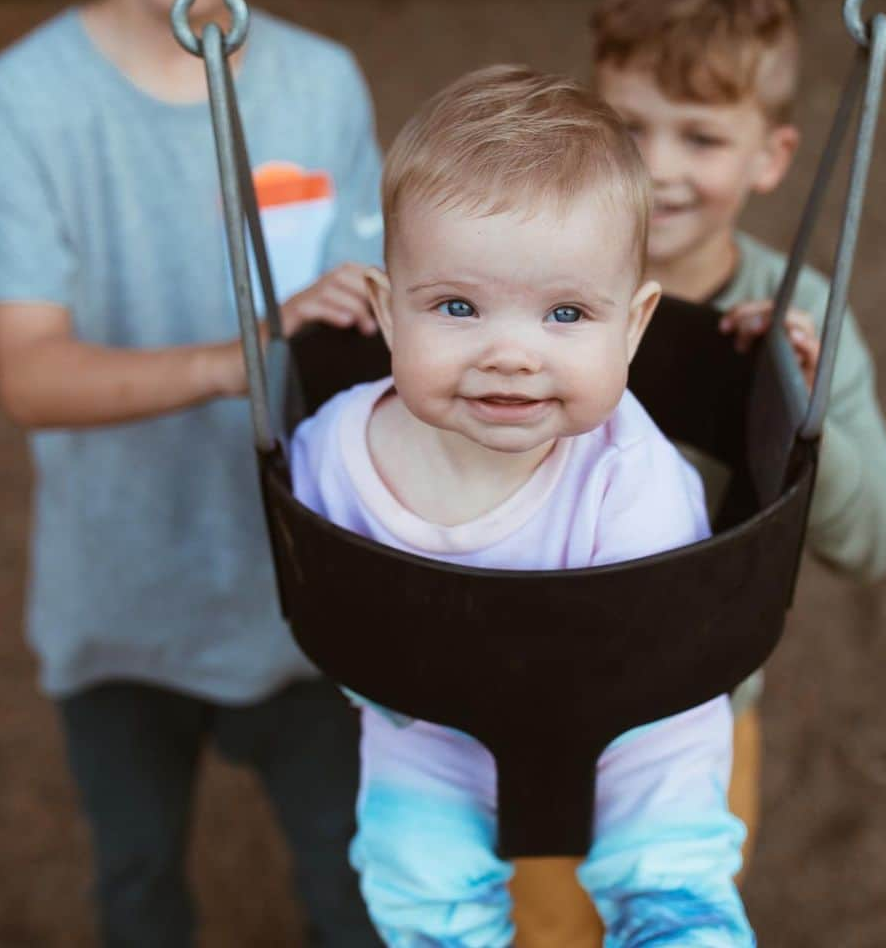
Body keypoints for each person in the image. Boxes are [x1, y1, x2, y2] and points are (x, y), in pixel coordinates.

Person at [0, 0, 383, 945]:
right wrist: (237, 358)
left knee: (355, 888)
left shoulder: (325, 84)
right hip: (120, 610)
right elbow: (31, 373)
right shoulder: (24, 98)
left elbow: (370, 339)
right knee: (139, 888)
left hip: (301, 608)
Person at [291, 64, 756, 947]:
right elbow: (319, 584)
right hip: (430, 725)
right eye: (458, 306)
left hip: (633, 727)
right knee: (414, 879)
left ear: (635, 324)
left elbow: (663, 639)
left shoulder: (630, 471)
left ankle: (673, 922)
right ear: (389, 316)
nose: (511, 354)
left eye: (567, 314)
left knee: (668, 861)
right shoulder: (335, 449)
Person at [590, 0, 886, 872]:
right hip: (526, 690)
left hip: (699, 714)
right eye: (628, 126)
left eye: (700, 136)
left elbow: (881, 541)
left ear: (773, 156)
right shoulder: (536, 277)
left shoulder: (803, 310)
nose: (657, 168)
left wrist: (806, 422)